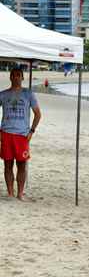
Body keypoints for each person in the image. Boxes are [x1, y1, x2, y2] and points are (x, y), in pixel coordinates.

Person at [1, 66, 41, 200]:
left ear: (23, 77)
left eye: (18, 75)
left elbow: (37, 114)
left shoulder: (28, 94)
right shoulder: (3, 94)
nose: (16, 77)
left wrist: (32, 131)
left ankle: (20, 193)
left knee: (22, 165)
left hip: (22, 135)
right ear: (10, 77)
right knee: (7, 165)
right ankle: (11, 193)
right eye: (13, 75)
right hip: (6, 133)